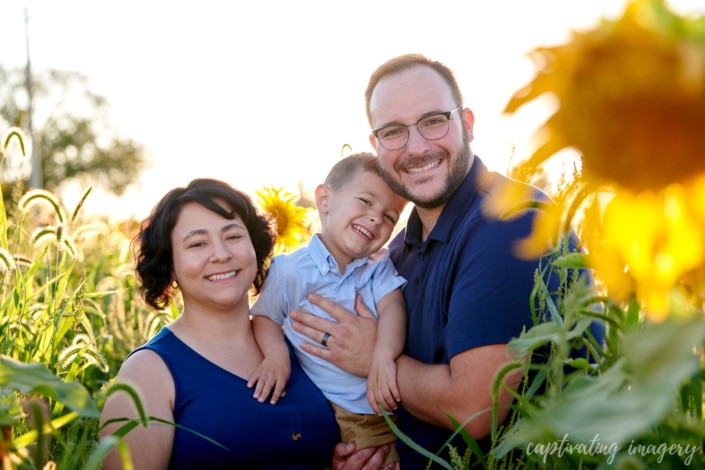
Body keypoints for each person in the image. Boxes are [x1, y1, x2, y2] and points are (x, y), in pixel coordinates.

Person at [288, 54, 600, 468]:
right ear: (376, 147)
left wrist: (373, 360)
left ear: (467, 124)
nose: (416, 147)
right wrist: (375, 450)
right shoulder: (395, 252)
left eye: (433, 121)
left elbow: (475, 410)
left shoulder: (509, 221)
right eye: (394, 131)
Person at [99, 178, 393, 469]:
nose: (222, 254)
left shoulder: (299, 342)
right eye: (198, 243)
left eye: (234, 236)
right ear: (170, 265)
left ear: (254, 245)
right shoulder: (148, 372)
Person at [248, 153, 408, 467]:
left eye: (389, 216)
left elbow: (393, 308)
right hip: (335, 411)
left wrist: (383, 354)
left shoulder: (377, 266)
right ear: (324, 200)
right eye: (365, 201)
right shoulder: (289, 271)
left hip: (388, 406)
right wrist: (276, 353)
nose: (376, 218)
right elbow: (264, 317)